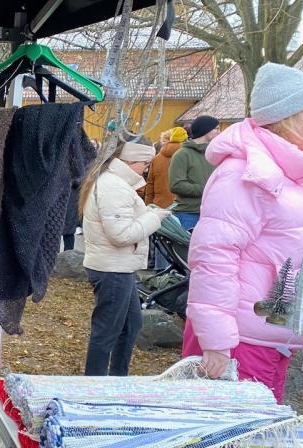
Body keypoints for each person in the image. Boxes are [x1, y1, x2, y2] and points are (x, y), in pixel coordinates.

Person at [183, 63, 303, 401]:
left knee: (257, 438)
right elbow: (213, 258)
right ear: (291, 117)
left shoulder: (294, 171)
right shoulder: (245, 174)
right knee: (232, 440)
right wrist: (216, 342)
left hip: (271, 330)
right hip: (240, 339)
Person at [79, 141, 170, 376]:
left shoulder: (115, 183)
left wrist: (148, 214)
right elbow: (120, 234)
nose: (147, 169)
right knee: (107, 332)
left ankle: (117, 379)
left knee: (130, 325)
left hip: (118, 266)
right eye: (145, 164)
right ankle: (93, 387)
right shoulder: (113, 187)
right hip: (112, 269)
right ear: (130, 162)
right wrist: (154, 218)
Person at [168, 115, 220, 230]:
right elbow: (176, 185)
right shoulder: (182, 154)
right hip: (188, 213)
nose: (219, 132)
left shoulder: (214, 155)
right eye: (216, 128)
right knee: (188, 248)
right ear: (205, 130)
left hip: (211, 213)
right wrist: (205, 189)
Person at [145, 126, 187, 208]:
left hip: (159, 205)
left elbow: (150, 184)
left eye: (163, 141)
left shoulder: (156, 158)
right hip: (183, 206)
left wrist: (148, 205)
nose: (162, 143)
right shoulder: (189, 156)